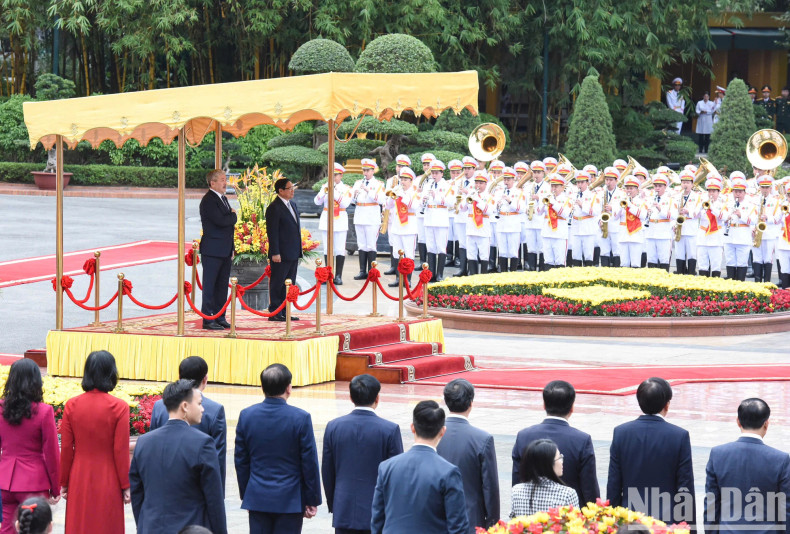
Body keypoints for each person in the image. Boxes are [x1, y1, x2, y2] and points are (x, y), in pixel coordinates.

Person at [129, 380, 226, 534]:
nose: (203, 409)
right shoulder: (203, 443)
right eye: (199, 403)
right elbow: (214, 499)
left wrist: (143, 524)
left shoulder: (144, 442)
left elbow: (137, 492)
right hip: (190, 527)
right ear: (185, 406)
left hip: (151, 526)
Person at [235, 364, 321, 534]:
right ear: (289, 388)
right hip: (290, 499)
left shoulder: (247, 415)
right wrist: (312, 499)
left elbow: (241, 461)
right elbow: (309, 462)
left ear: (262, 387)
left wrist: (247, 495)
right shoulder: (300, 418)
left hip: (258, 496)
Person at [607, 377, 695, 528]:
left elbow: (614, 484)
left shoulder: (621, 433)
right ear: (667, 404)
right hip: (666, 523)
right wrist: (689, 528)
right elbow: (685, 487)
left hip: (630, 520)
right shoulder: (679, 436)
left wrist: (612, 523)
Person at [371, 400, 468, 534]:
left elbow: (377, 519)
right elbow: (458, 526)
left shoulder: (386, 467)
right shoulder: (448, 472)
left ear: (412, 428)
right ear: (442, 431)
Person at [322, 375, 403, 534]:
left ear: (350, 397)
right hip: (377, 510)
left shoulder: (333, 427)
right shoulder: (389, 430)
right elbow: (396, 475)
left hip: (343, 508)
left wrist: (334, 504)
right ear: (377, 398)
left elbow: (327, 471)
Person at [59, 351, 130, 534]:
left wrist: (64, 481)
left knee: (80, 524)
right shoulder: (119, 407)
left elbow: (66, 448)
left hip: (79, 475)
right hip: (109, 476)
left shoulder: (72, 405)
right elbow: (120, 450)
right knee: (106, 524)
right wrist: (126, 484)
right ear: (111, 373)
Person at [705, 398, 790, 534]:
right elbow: (786, 508)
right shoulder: (781, 459)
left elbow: (711, 503)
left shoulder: (718, 454)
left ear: (738, 421)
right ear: (766, 424)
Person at [512, 380, 599, 507]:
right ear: (572, 407)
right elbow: (589, 486)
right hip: (568, 517)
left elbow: (517, 479)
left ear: (544, 405)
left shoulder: (524, 436)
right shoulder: (581, 440)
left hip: (529, 516)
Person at [149, 356, 227, 492]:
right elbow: (218, 457)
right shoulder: (215, 410)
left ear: (179, 377)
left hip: (162, 484)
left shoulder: (159, 406)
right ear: (205, 379)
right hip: (198, 487)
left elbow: (152, 448)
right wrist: (217, 493)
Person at [0, 360, 59, 534]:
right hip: (34, 481)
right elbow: (52, 454)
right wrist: (55, 487)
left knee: (7, 530)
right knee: (34, 529)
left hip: (5, 480)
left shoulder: (1, 409)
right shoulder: (44, 411)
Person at [437, 379, 499, 533]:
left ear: (446, 401)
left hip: (435, 517)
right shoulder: (482, 439)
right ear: (471, 402)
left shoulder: (431, 435)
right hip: (470, 520)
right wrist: (493, 524)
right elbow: (490, 487)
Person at [199, 169, 237, 330]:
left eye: (225, 179)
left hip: (224, 249)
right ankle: (208, 318)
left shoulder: (223, 198)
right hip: (212, 250)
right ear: (212, 183)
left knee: (222, 286)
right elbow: (222, 221)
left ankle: (220, 315)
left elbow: (228, 228)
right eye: (221, 179)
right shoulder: (209, 200)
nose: (225, 182)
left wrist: (232, 247)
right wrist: (233, 216)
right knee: (210, 286)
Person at [265, 177, 302, 322]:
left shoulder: (292, 205)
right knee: (278, 283)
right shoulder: (274, 207)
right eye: (289, 188)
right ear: (280, 191)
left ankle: (285, 311)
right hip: (280, 253)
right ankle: (275, 311)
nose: (292, 190)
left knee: (289, 283)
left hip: (292, 252)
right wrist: (275, 252)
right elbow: (272, 232)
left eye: (293, 187)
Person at [511, 439, 579, 517]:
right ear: (547, 464)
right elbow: (576, 525)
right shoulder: (568, 494)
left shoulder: (516, 491)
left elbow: (513, 524)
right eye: (559, 458)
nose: (562, 461)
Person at [314, 163, 352, 286]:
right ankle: (327, 274)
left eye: (336, 175)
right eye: (332, 175)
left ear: (341, 175)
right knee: (327, 248)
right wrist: (324, 192)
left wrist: (334, 192)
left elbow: (345, 204)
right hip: (327, 219)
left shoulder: (346, 188)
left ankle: (338, 276)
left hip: (340, 220)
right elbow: (317, 202)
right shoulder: (325, 186)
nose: (333, 177)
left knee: (340, 248)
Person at [384, 167, 419, 288]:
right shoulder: (397, 191)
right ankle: (398, 278)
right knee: (397, 253)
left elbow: (413, 206)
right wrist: (391, 196)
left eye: (405, 179)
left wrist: (401, 196)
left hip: (409, 227)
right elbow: (388, 206)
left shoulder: (415, 193)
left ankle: (408, 279)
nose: (402, 182)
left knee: (409, 254)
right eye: (401, 179)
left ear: (411, 181)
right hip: (397, 226)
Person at [350, 158, 384, 280]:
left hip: (371, 218)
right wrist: (354, 196)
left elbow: (380, 200)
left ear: (373, 171)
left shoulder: (379, 184)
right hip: (360, 215)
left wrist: (368, 190)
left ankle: (372, 271)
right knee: (361, 245)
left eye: (368, 170)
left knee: (371, 245)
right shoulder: (357, 183)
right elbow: (352, 201)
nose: (365, 173)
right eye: (364, 170)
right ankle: (362, 271)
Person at [459, 172, 495, 275]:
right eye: (477, 183)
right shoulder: (471, 194)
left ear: (485, 184)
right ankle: (473, 277)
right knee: (471, 254)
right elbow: (462, 209)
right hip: (471, 229)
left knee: (484, 255)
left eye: (481, 183)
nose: (478, 186)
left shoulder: (489, 197)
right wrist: (467, 199)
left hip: (483, 229)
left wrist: (478, 200)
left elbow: (489, 211)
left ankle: (482, 279)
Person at [537, 173, 572, 269]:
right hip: (547, 233)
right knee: (548, 260)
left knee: (560, 261)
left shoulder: (567, 200)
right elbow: (538, 212)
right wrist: (544, 203)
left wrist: (553, 203)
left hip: (559, 234)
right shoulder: (547, 197)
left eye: (556, 186)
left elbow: (565, 214)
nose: (553, 189)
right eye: (552, 186)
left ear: (562, 187)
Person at [423, 160, 451, 281]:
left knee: (440, 247)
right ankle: (431, 274)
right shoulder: (427, 184)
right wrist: (423, 200)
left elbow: (451, 202)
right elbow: (420, 201)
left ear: (442, 173)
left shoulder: (447, 186)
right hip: (429, 217)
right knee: (431, 247)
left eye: (436, 173)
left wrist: (436, 197)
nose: (434, 175)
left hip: (440, 218)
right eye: (432, 173)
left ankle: (439, 274)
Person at [724, 174, 755, 281]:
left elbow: (754, 220)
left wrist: (741, 215)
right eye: (735, 191)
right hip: (729, 236)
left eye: (740, 191)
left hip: (743, 237)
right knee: (730, 261)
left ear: (744, 192)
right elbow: (721, 217)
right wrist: (726, 218)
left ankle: (740, 287)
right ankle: (731, 286)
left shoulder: (750, 205)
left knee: (742, 262)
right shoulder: (728, 204)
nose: (737, 194)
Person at [751, 175, 782, 283]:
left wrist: (767, 218)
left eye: (767, 187)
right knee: (756, 258)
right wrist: (752, 228)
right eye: (762, 187)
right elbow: (750, 216)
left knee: (768, 259)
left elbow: (778, 219)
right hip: (756, 233)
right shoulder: (754, 200)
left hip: (769, 234)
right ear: (759, 187)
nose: (764, 190)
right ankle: (757, 284)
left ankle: (767, 283)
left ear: (770, 188)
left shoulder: (776, 201)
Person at [494, 168, 525, 272]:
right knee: (502, 251)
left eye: (509, 179)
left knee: (513, 251)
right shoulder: (498, 192)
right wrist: (496, 205)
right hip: (502, 222)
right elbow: (492, 208)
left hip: (513, 223)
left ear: (513, 179)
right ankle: (503, 272)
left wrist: (510, 200)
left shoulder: (519, 192)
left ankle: (512, 274)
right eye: (505, 179)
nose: (506, 182)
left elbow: (522, 209)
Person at [644, 174, 676, 271]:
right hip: (650, 233)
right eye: (655, 186)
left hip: (663, 233)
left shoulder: (670, 200)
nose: (657, 188)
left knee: (664, 259)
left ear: (665, 187)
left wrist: (660, 209)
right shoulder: (648, 199)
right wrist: (646, 213)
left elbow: (674, 216)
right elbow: (642, 215)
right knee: (651, 259)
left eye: (660, 186)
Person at [615, 176, 648, 268]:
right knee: (624, 263)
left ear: (637, 190)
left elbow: (643, 215)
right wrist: (620, 208)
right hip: (623, 234)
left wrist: (629, 206)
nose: (629, 190)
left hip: (636, 235)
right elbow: (614, 217)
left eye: (631, 188)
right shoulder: (621, 201)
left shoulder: (642, 202)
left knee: (635, 263)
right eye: (627, 188)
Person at [569, 172, 601, 267]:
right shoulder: (573, 195)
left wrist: (582, 205)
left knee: (588, 254)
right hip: (575, 227)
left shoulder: (594, 196)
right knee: (575, 254)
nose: (579, 185)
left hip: (588, 228)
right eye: (578, 182)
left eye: (582, 182)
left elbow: (596, 211)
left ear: (587, 182)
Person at [696, 177, 726, 278]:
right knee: (702, 264)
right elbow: (694, 215)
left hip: (716, 238)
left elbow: (724, 217)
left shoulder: (722, 204)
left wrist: (712, 208)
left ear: (718, 192)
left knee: (715, 265)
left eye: (714, 191)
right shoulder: (703, 203)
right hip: (703, 237)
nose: (711, 193)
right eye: (709, 191)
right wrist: (701, 207)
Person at [524, 160, 549, 271]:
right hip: (530, 221)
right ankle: (532, 271)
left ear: (543, 173)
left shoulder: (548, 187)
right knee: (531, 248)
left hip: (541, 221)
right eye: (534, 172)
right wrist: (526, 209)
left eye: (539, 172)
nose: (536, 175)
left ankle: (542, 271)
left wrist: (539, 198)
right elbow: (523, 202)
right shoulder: (528, 186)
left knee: (542, 248)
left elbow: (548, 202)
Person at [674, 171, 701, 275]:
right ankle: (680, 273)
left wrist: (687, 212)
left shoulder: (697, 197)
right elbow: (672, 212)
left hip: (691, 229)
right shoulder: (676, 196)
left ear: (692, 184)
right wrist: (673, 225)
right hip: (679, 228)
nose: (685, 185)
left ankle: (691, 273)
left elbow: (698, 213)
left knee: (692, 253)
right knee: (679, 253)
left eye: (688, 182)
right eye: (683, 182)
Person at [598, 167, 624, 267]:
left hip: (616, 226)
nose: (608, 182)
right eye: (607, 179)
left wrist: (612, 208)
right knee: (604, 251)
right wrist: (599, 221)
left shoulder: (622, 194)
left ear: (616, 181)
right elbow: (596, 210)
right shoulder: (600, 193)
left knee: (617, 250)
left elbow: (623, 210)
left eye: (611, 180)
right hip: (603, 226)